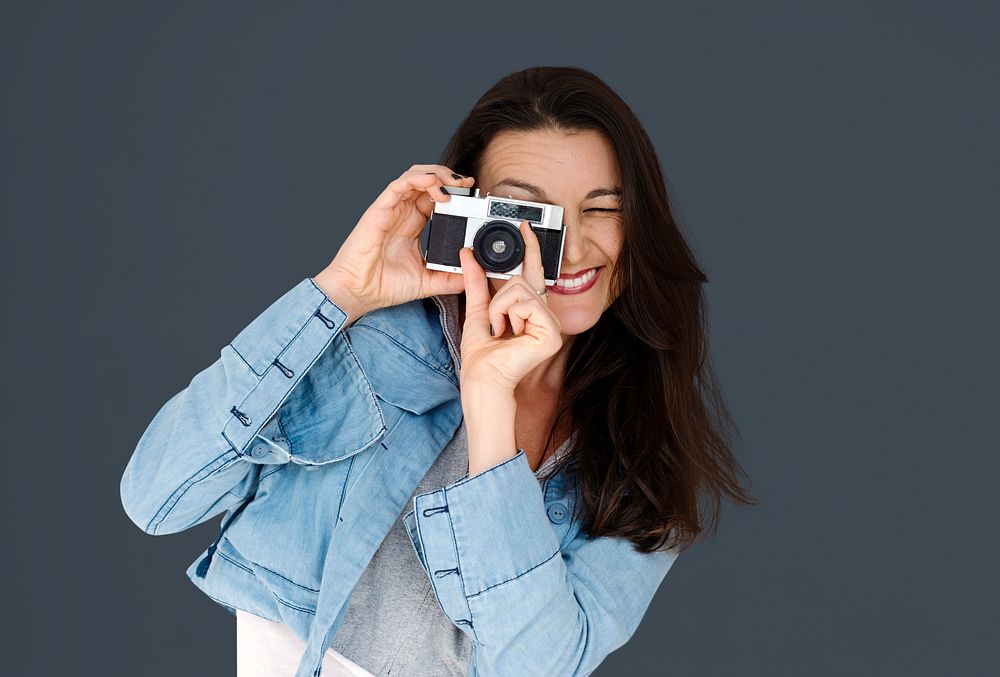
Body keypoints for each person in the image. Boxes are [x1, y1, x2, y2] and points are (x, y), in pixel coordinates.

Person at [120, 65, 756, 677]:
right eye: (529, 213)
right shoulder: (370, 344)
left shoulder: (649, 452)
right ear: (469, 216)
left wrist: (489, 408)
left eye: (602, 208)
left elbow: (540, 667)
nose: (571, 248)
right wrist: (339, 292)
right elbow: (157, 500)